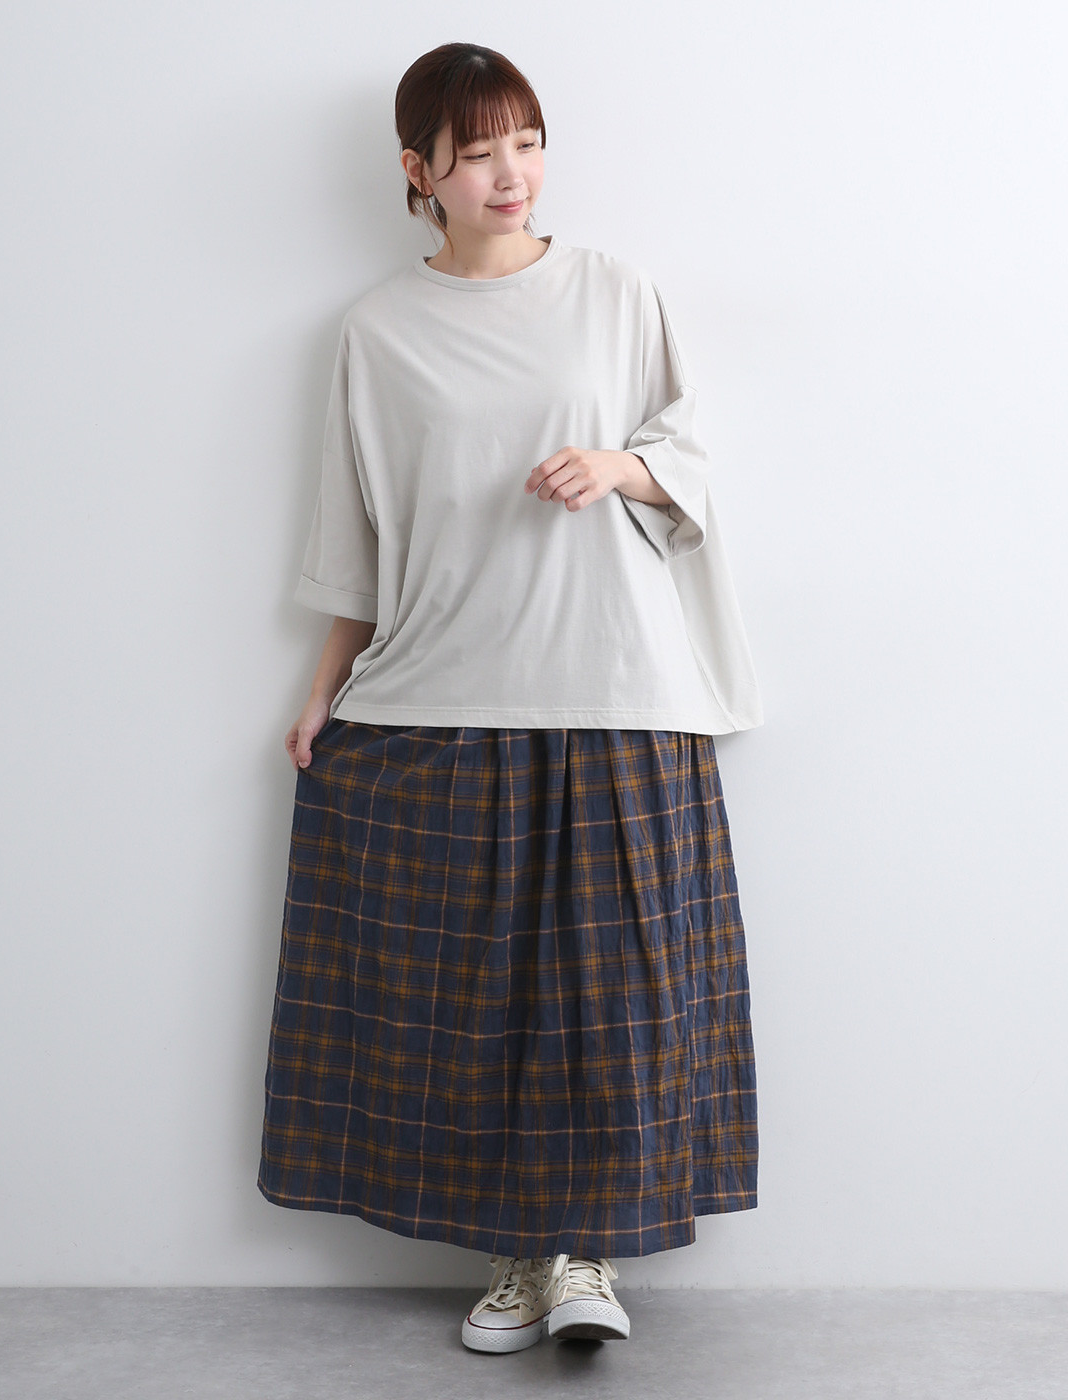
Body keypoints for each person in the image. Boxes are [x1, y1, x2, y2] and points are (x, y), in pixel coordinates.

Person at [257, 42, 764, 1355]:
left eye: (527, 143)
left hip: (613, 688)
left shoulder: (614, 293)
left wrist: (619, 467)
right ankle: (518, 1262)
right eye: (478, 152)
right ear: (418, 170)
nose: (511, 174)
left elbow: (688, 454)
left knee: (614, 1000)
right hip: (442, 695)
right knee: (471, 1003)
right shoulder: (376, 330)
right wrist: (321, 691)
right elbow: (355, 538)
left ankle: (584, 1256)